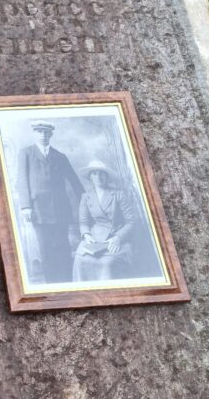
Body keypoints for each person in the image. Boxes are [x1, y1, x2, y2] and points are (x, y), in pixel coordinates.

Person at [16, 120, 83, 283]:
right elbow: (22, 181)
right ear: (34, 133)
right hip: (39, 210)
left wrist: (87, 200)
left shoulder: (60, 156)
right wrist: (26, 206)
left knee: (63, 247)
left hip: (61, 209)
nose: (43, 135)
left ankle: (67, 282)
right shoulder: (26, 153)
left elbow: (75, 181)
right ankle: (51, 284)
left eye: (46, 132)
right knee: (46, 248)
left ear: (51, 134)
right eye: (39, 132)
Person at [73, 160, 136, 283]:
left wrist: (118, 238)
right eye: (95, 173)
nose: (98, 177)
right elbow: (84, 222)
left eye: (102, 173)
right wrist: (86, 235)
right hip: (94, 238)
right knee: (79, 260)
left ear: (107, 176)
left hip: (116, 237)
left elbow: (131, 221)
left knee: (107, 263)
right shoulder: (86, 197)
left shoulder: (119, 194)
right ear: (90, 177)